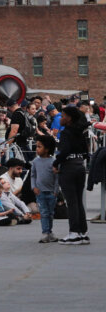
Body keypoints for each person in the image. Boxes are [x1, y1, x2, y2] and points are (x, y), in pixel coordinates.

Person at [54, 104, 92, 245]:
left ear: (69, 118)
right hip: (79, 166)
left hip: (69, 167)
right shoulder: (79, 132)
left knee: (71, 201)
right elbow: (85, 150)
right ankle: (83, 232)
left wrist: (55, 163)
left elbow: (64, 151)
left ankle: (74, 233)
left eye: (63, 116)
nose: (61, 119)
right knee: (78, 200)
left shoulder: (66, 132)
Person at [32, 135, 58, 243]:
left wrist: (56, 191)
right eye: (36, 146)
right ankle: (45, 232)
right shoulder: (35, 162)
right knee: (43, 213)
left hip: (51, 192)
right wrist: (33, 187)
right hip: (40, 192)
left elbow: (57, 177)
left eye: (39, 147)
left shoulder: (53, 161)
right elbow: (32, 175)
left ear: (47, 149)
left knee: (50, 213)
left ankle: (49, 232)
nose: (37, 149)